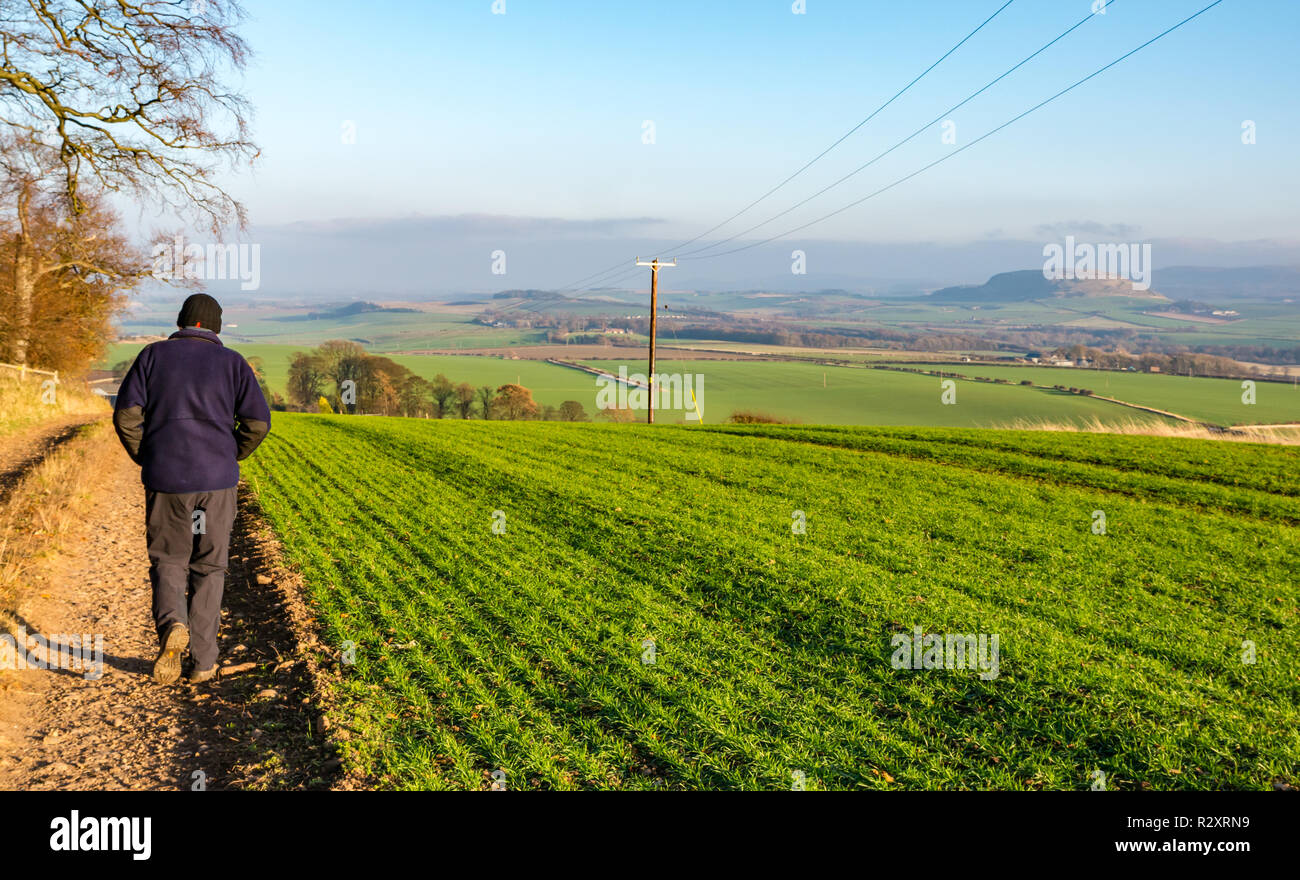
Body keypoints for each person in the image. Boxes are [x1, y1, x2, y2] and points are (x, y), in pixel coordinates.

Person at [112, 293, 270, 684]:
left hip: (167, 481)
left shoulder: (152, 355)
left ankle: (172, 627)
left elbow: (127, 414)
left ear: (182, 321)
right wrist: (231, 453)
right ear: (215, 326)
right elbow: (258, 422)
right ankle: (203, 663)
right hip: (215, 485)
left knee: (169, 560)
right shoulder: (233, 363)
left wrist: (147, 455)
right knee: (209, 567)